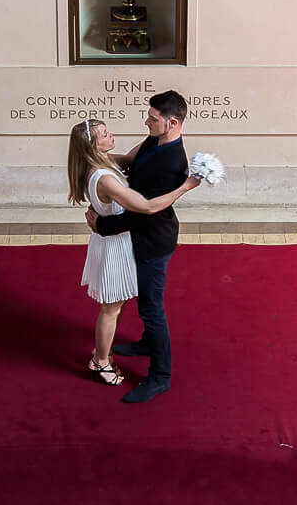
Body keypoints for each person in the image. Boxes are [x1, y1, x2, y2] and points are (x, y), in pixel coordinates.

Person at [66, 117, 200, 387]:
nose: (110, 134)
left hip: (116, 242)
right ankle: (100, 361)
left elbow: (129, 157)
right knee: (111, 308)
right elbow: (147, 207)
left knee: (118, 304)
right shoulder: (104, 178)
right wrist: (185, 187)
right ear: (94, 145)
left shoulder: (102, 161)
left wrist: (160, 132)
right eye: (104, 134)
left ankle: (102, 353)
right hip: (114, 247)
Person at [102, 91, 193, 404]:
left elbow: (143, 212)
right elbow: (128, 161)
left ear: (172, 123)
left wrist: (101, 227)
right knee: (143, 299)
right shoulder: (154, 141)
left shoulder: (172, 162)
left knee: (152, 309)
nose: (146, 121)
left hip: (154, 239)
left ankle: (160, 376)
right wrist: (91, 156)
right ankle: (144, 344)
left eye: (153, 119)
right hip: (144, 233)